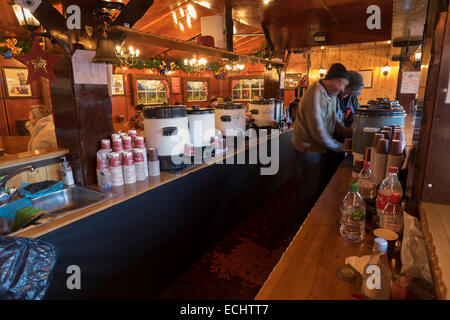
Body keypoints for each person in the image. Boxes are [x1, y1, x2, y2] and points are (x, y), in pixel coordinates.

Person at [291, 63, 352, 221]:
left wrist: (345, 130)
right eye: (343, 84)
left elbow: (334, 117)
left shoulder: (329, 93)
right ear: (334, 80)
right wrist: (339, 146)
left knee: (315, 182)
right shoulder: (315, 94)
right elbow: (317, 130)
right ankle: (300, 221)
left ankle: (309, 214)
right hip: (308, 147)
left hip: (318, 146)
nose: (342, 89)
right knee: (310, 186)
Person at [324, 71, 364, 184]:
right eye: (350, 91)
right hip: (328, 138)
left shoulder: (352, 98)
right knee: (327, 169)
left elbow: (357, 114)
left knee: (341, 166)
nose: (352, 94)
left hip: (343, 139)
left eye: (354, 93)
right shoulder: (330, 96)